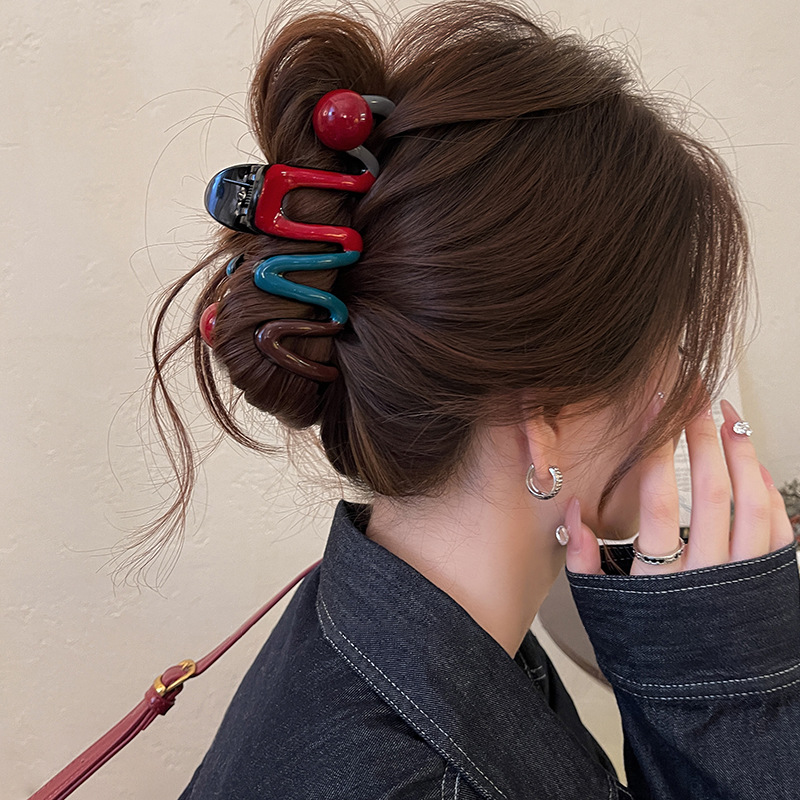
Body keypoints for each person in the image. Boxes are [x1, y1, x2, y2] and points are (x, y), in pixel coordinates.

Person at [130, 1, 800, 797]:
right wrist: (729, 699)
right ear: (545, 416)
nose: (690, 388)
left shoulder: (398, 623)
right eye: (670, 344)